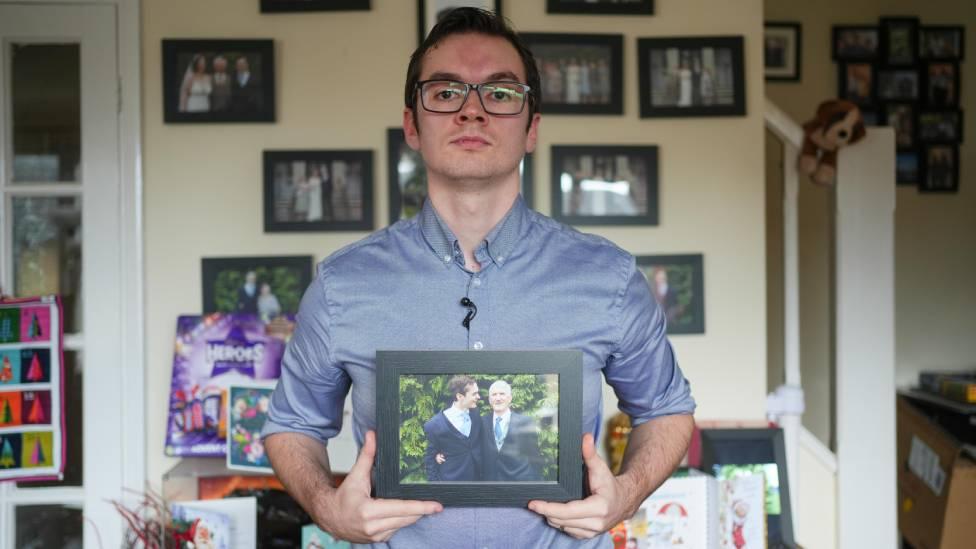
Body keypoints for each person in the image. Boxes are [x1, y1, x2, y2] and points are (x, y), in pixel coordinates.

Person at [263, 8, 695, 547]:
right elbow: (293, 424)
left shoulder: (607, 277)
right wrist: (328, 508)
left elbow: (667, 409)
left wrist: (624, 495)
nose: (472, 111)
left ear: (531, 127)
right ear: (411, 125)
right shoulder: (341, 284)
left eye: (500, 93)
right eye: (445, 93)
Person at [422, 375, 484, 481]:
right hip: (452, 482)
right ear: (460, 396)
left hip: (477, 481)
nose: (478, 397)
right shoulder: (435, 425)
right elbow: (430, 460)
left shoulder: (476, 414)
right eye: (474, 394)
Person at [480, 379, 543, 481]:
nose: (498, 398)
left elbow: (534, 456)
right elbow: (468, 446)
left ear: (510, 398)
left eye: (502, 394)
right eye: (494, 395)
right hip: (491, 483)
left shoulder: (525, 422)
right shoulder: (482, 422)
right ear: (489, 399)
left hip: (519, 481)